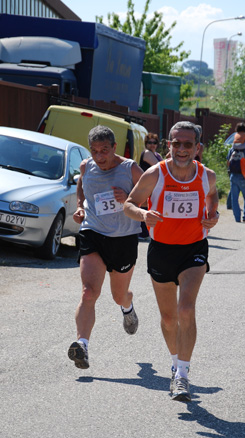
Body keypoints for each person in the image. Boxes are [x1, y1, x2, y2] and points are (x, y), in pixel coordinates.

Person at [124, 121, 220, 401]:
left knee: (186, 310)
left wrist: (212, 214)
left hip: (193, 249)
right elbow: (129, 204)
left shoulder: (207, 176)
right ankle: (176, 362)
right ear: (168, 145)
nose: (180, 149)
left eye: (187, 144)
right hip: (161, 250)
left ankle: (182, 375)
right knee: (168, 319)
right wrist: (143, 215)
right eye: (175, 143)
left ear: (197, 148)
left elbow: (213, 196)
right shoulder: (155, 174)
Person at [68, 125, 143, 370]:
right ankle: (82, 346)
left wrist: (129, 197)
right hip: (94, 231)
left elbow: (151, 194)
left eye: (104, 150)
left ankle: (127, 305)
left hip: (123, 237)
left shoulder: (130, 168)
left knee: (118, 295)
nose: (99, 156)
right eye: (94, 151)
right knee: (89, 292)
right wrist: (80, 206)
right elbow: (81, 187)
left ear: (114, 148)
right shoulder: (86, 167)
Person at [138, 133, 163, 240]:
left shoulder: (157, 154)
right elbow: (159, 166)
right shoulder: (147, 153)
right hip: (146, 184)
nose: (152, 145)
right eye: (150, 142)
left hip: (154, 185)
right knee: (144, 205)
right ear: (146, 144)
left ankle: (146, 232)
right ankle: (142, 233)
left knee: (150, 206)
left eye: (154, 142)